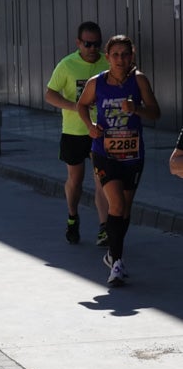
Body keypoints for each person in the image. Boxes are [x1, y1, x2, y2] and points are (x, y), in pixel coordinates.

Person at [77, 35, 160, 287]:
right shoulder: (97, 82)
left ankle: (113, 253)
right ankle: (117, 263)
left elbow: (155, 112)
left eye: (125, 54)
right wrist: (90, 126)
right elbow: (81, 105)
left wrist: (136, 109)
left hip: (133, 153)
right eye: (116, 54)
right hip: (104, 152)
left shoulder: (139, 80)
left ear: (131, 56)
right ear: (107, 56)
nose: (120, 59)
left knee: (125, 209)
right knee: (116, 204)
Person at [45, 22, 109, 246]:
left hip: (100, 132)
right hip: (74, 131)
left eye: (97, 44)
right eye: (88, 44)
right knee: (76, 180)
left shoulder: (107, 62)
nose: (93, 49)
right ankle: (73, 217)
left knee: (102, 179)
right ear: (78, 43)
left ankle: (104, 228)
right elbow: (50, 95)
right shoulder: (67, 65)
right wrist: (74, 107)